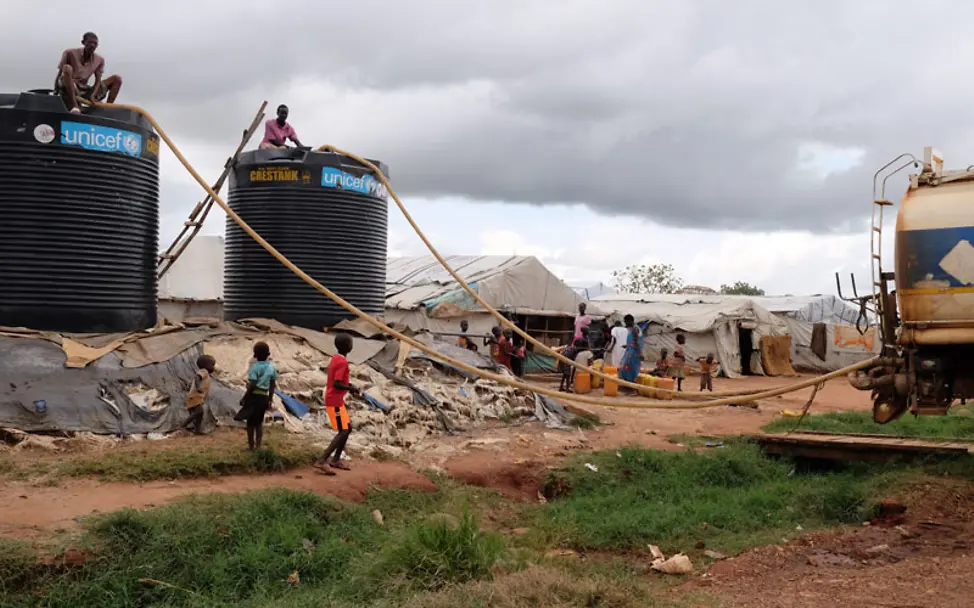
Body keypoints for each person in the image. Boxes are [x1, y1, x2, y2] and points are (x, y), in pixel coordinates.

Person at [314, 334, 359, 474]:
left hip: (335, 399)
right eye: (351, 343)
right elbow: (337, 383)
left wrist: (349, 385)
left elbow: (338, 380)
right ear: (348, 346)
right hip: (334, 401)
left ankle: (336, 459)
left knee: (347, 428)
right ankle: (322, 460)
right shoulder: (343, 362)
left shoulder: (336, 358)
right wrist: (350, 388)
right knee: (343, 430)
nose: (352, 345)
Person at [55, 32, 123, 114]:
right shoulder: (69, 53)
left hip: (84, 89)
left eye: (95, 43)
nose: (92, 45)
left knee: (116, 79)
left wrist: (93, 94)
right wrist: (56, 91)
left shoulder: (99, 60)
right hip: (68, 85)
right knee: (67, 68)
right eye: (90, 42)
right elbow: (60, 73)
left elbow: (98, 79)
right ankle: (75, 106)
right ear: (83, 42)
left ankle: (107, 109)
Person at [235, 342, 278, 451]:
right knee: (259, 423)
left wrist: (245, 397)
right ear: (268, 354)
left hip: (254, 396)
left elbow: (252, 384)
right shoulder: (272, 367)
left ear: (255, 355)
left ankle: (251, 446)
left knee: (250, 423)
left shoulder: (255, 368)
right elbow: (272, 384)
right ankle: (258, 446)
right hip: (264, 397)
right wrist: (270, 399)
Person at [183, 354, 216, 435]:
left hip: (198, 396)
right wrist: (198, 387)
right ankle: (183, 426)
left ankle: (197, 430)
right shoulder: (203, 371)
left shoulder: (206, 374)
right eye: (212, 365)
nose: (214, 367)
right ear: (207, 365)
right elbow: (197, 377)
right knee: (199, 411)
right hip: (195, 395)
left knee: (200, 414)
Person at [618, 315, 643, 386]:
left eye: (625, 322)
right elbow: (633, 341)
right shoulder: (633, 329)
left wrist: (640, 353)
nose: (625, 323)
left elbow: (637, 342)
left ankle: (630, 386)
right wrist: (627, 345)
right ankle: (628, 385)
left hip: (633, 353)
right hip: (631, 351)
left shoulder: (635, 329)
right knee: (628, 368)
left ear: (630, 321)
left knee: (628, 368)